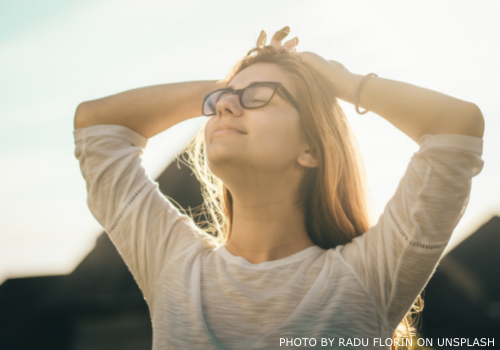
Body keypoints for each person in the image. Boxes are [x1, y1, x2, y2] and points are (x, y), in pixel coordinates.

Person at [73, 27, 484, 349]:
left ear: (311, 148)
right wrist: (226, 85)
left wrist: (341, 81)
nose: (226, 106)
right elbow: (96, 124)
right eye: (220, 102)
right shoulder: (173, 264)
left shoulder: (368, 275)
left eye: (259, 97)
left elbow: (456, 127)